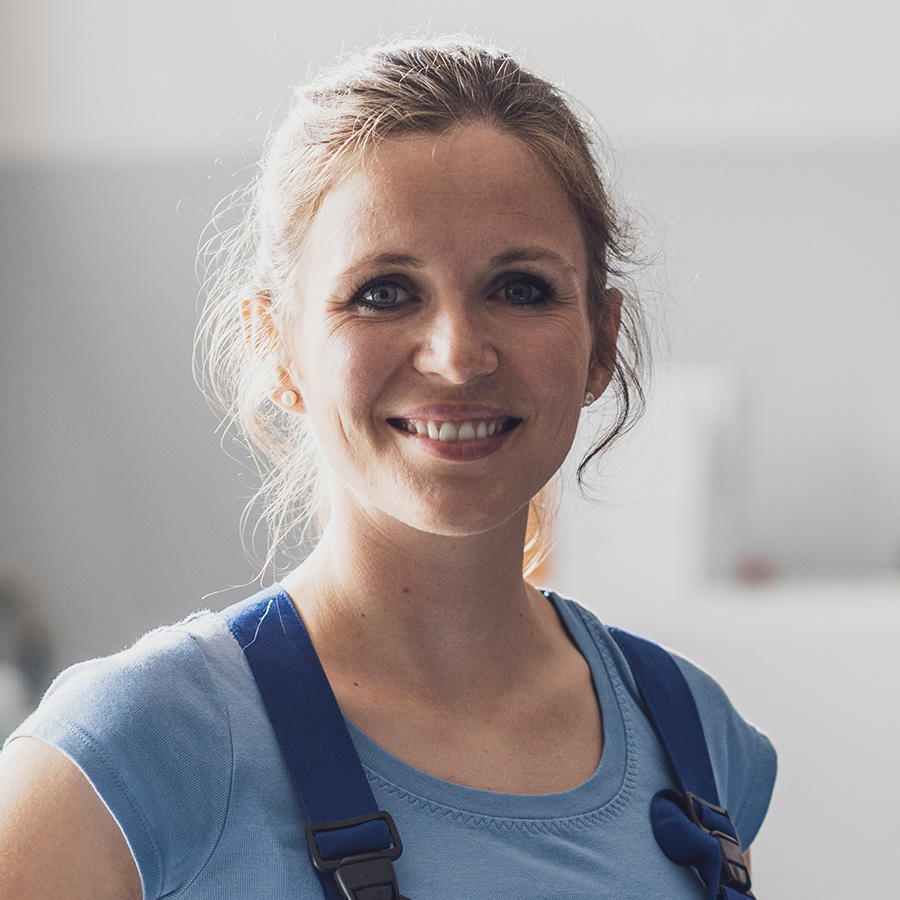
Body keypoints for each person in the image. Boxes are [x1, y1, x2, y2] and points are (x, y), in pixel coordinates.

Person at [0, 37, 776, 899]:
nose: (456, 355)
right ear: (278, 345)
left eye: (519, 288)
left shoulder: (697, 738)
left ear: (602, 339)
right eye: (383, 292)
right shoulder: (133, 754)